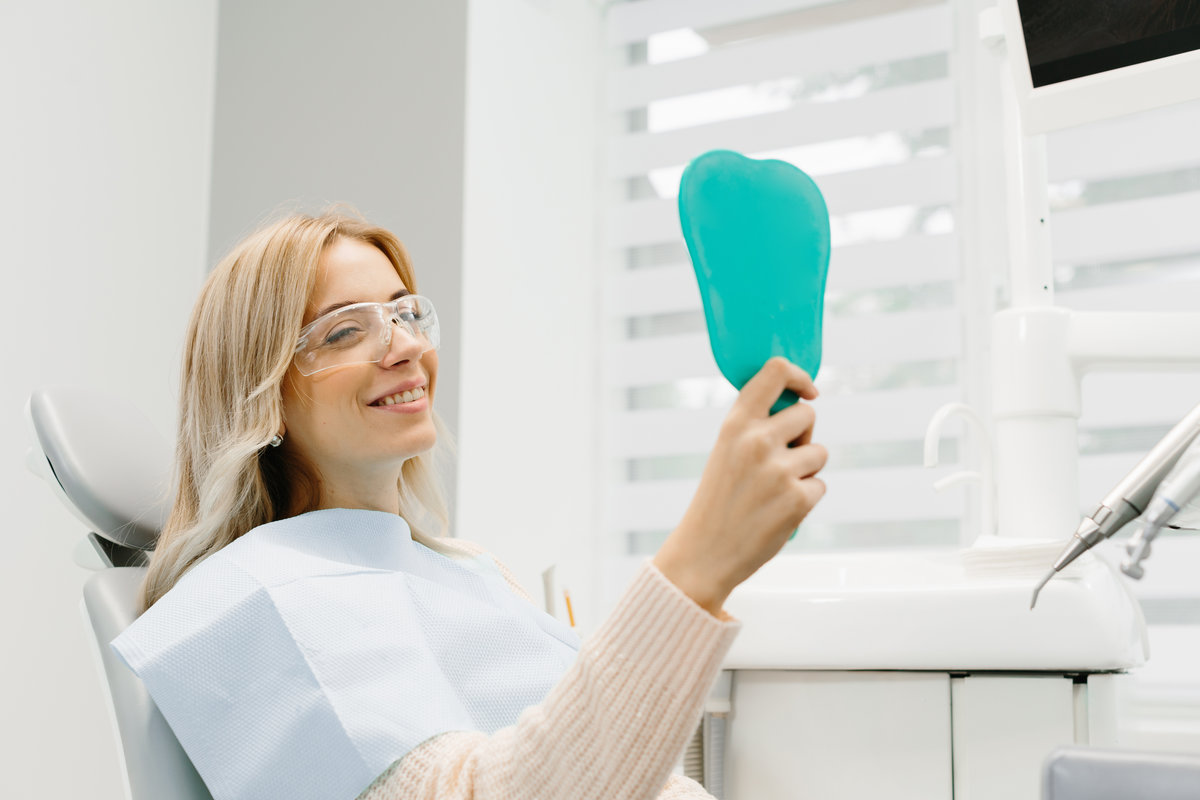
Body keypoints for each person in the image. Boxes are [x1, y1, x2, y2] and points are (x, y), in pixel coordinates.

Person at [118, 211, 827, 800]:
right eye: (344, 330)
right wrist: (700, 563)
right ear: (262, 395)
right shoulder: (249, 603)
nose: (404, 347)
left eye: (405, 313)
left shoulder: (463, 572)